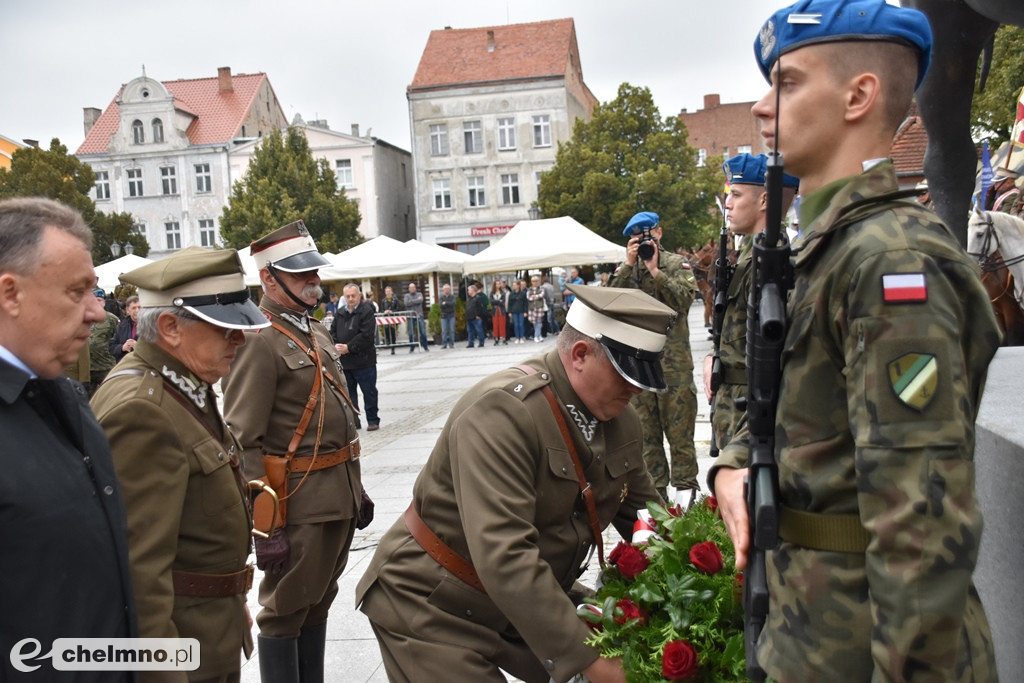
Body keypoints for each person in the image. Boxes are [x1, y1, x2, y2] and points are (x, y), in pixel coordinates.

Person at [709, 2, 1000, 680]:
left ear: (858, 95)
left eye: (785, 83)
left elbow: (921, 525)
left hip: (870, 642)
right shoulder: (829, 249)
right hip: (811, 629)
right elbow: (805, 422)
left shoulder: (891, 260)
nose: (759, 105)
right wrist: (732, 463)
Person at [357, 284, 673, 683]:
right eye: (626, 375)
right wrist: (593, 662)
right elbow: (505, 554)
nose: (638, 389)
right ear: (579, 355)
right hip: (435, 600)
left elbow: (648, 520)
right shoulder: (503, 411)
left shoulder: (620, 419)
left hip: (521, 599)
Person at [92, 246, 269, 682]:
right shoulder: (143, 410)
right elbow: (137, 575)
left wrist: (229, 599)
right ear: (170, 327)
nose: (239, 339)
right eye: (225, 329)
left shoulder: (181, 381)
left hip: (208, 628)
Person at [222, 220, 369, 683]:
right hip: (297, 504)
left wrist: (355, 488)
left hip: (335, 497)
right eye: (302, 274)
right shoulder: (258, 339)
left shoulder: (314, 331)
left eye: (314, 272)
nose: (315, 281)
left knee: (318, 602)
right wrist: (265, 528)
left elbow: (335, 416)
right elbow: (244, 438)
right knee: (284, 611)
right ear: (268, 277)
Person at [0, 197, 136, 681]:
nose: (97, 313)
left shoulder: (65, 397)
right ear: (10, 293)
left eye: (94, 292)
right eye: (77, 292)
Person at [701, 154, 798, 450]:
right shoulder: (749, 255)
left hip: (752, 413)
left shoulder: (771, 261)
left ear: (765, 200)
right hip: (735, 408)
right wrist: (712, 357)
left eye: (736, 195)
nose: (727, 203)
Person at [610, 211, 699, 505]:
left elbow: (685, 301)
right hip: (638, 368)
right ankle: (657, 507)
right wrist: (629, 264)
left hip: (674, 367)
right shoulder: (626, 271)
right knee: (647, 441)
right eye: (637, 240)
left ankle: (688, 506)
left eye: (647, 236)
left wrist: (656, 271)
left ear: (658, 233)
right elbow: (608, 305)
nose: (644, 243)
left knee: (681, 439)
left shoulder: (676, 264)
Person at [331, 283, 380, 431]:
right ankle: (354, 421)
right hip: (346, 363)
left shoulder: (366, 312)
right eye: (348, 296)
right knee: (348, 395)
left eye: (353, 296)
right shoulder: (339, 313)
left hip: (364, 361)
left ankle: (372, 420)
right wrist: (336, 345)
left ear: (359, 295)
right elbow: (332, 332)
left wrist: (349, 347)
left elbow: (366, 335)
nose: (351, 299)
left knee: (369, 392)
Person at [88, 286, 120, 395]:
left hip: (105, 365)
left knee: (110, 394)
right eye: (94, 300)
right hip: (88, 367)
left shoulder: (112, 319)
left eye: (99, 300)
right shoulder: (84, 317)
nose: (96, 302)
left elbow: (118, 339)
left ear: (104, 303)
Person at [110, 294, 140, 360]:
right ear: (127, 310)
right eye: (134, 308)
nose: (137, 310)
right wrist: (122, 347)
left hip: (143, 366)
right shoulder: (121, 326)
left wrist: (139, 347)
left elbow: (156, 349)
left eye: (139, 307)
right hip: (125, 365)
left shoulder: (151, 325)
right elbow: (111, 347)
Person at [404, 282, 429, 353]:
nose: (412, 289)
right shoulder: (406, 295)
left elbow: (420, 300)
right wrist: (415, 301)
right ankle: (412, 348)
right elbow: (406, 303)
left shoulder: (419, 294)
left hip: (419, 315)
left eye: (413, 287)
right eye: (410, 288)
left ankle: (425, 346)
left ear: (415, 288)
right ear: (409, 289)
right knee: (411, 333)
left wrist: (411, 301)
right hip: (410, 316)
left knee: (422, 332)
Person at [464, 283, 487, 348]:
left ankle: (481, 342)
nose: (468, 291)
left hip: (476, 318)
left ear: (473, 290)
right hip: (469, 317)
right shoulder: (469, 298)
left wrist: (478, 315)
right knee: (470, 331)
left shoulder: (478, 298)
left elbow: (480, 307)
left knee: (479, 330)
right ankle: (471, 343)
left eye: (469, 290)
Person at [526, 275, 547, 342]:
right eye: (533, 281)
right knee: (534, 322)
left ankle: (536, 336)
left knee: (539, 321)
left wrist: (535, 296)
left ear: (538, 282)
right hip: (532, 308)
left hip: (539, 307)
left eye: (536, 281)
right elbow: (528, 297)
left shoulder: (541, 288)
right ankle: (539, 335)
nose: (534, 283)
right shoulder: (529, 289)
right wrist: (535, 297)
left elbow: (542, 295)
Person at [380, 285, 401, 354]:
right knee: (386, 329)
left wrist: (392, 311)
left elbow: (398, 308)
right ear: (385, 292)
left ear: (391, 292)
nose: (388, 293)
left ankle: (393, 348)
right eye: (387, 291)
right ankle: (388, 341)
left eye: (389, 291)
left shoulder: (395, 300)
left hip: (393, 319)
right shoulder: (383, 300)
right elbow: (382, 309)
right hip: (386, 319)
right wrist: (384, 312)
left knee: (393, 333)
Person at [507, 278, 527, 344]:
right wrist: (509, 311)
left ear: (518, 285)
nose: (514, 286)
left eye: (515, 285)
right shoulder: (511, 294)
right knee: (516, 325)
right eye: (513, 285)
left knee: (521, 324)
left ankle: (521, 337)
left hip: (521, 310)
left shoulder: (522, 293)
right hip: (514, 311)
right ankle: (517, 337)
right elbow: (509, 303)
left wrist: (525, 311)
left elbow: (525, 303)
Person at [490, 279, 509, 345]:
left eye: (499, 284)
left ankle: (503, 338)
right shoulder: (492, 293)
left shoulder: (503, 293)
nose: (498, 285)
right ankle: (496, 338)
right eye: (496, 284)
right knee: (495, 325)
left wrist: (497, 302)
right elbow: (491, 302)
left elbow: (503, 302)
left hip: (501, 310)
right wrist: (498, 301)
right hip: (495, 311)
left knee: (502, 324)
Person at [438, 283, 457, 349]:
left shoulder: (452, 297)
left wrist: (445, 303)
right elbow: (440, 305)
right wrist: (447, 304)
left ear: (450, 289)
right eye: (445, 289)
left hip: (451, 315)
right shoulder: (441, 297)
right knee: (444, 331)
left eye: (448, 289)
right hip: (444, 316)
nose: (446, 290)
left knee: (452, 330)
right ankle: (444, 344)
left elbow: (453, 303)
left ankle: (451, 344)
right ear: (443, 290)